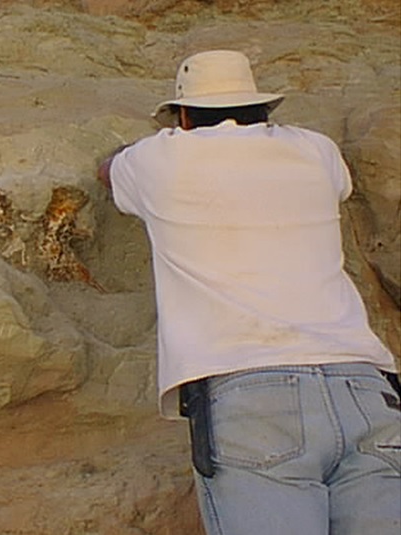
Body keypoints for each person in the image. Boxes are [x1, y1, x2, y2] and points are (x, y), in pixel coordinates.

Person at [97, 50, 400, 535]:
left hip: (252, 394)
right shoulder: (317, 150)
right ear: (263, 109)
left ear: (184, 117)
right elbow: (340, 187)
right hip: (364, 386)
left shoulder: (159, 158)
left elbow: (107, 170)